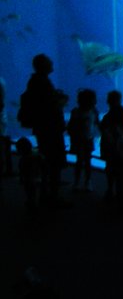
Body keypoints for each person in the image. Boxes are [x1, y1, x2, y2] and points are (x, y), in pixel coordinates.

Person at [19, 54, 67, 207]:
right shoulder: (42, 83)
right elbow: (49, 106)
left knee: (46, 160)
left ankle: (46, 194)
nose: (52, 63)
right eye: (49, 61)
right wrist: (60, 100)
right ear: (44, 66)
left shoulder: (35, 81)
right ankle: (51, 197)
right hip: (50, 129)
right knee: (52, 162)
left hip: (43, 128)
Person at [99, 91, 123, 204]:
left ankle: (111, 189)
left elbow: (102, 130)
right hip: (121, 147)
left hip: (110, 147)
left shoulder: (107, 117)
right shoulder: (121, 112)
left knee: (111, 168)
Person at [67, 89, 100, 193]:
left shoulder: (93, 111)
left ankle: (86, 181)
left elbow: (97, 124)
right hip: (79, 139)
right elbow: (71, 127)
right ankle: (78, 181)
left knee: (86, 161)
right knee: (80, 161)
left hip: (88, 139)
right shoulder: (76, 112)